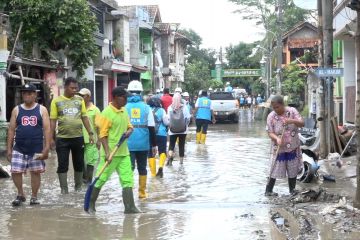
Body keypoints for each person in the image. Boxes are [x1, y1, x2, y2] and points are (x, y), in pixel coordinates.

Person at [89, 86, 140, 213]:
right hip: (110, 154)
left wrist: (129, 131)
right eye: (124, 97)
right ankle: (91, 205)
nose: (126, 100)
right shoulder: (106, 113)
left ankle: (130, 207)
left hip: (124, 153)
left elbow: (129, 126)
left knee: (127, 179)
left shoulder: (124, 111)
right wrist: (107, 152)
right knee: (101, 178)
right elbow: (102, 134)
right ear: (116, 97)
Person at [7, 84, 51, 206]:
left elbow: (47, 130)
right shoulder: (16, 110)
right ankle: (20, 194)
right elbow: (11, 130)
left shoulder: (42, 110)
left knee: (36, 172)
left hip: (36, 148)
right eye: (25, 93)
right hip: (19, 147)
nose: (27, 95)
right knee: (15, 171)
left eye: (30, 93)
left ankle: (34, 196)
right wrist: (9, 149)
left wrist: (46, 148)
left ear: (35, 95)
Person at [50, 77, 94, 194]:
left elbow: (84, 117)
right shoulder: (56, 101)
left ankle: (78, 188)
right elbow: (53, 121)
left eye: (76, 88)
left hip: (78, 137)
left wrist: (90, 133)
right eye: (72, 88)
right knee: (62, 164)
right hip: (62, 139)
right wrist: (50, 139)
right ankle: (64, 190)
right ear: (65, 87)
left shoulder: (79, 100)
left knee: (79, 163)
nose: (75, 90)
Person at [265, 95, 304, 196]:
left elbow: (302, 123)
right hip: (278, 147)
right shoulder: (271, 116)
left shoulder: (292, 111)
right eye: (273, 108)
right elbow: (269, 132)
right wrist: (277, 138)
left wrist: (291, 121)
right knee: (274, 168)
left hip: (292, 146)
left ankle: (292, 190)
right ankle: (268, 190)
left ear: (283, 104)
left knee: (292, 168)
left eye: (277, 107)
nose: (275, 110)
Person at [126, 80, 157, 199]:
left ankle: (128, 194)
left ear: (128, 92)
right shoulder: (146, 108)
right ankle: (142, 193)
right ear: (140, 92)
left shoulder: (124, 107)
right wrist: (154, 145)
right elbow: (151, 128)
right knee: (142, 168)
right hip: (143, 144)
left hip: (128, 144)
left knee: (129, 169)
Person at [78, 88, 101, 184]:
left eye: (82, 96)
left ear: (88, 97)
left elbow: (99, 126)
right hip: (79, 138)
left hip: (91, 140)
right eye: (79, 95)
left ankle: (88, 181)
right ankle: (83, 180)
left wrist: (99, 140)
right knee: (80, 160)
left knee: (90, 161)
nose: (80, 97)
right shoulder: (78, 109)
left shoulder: (95, 110)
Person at [147, 97, 169, 178]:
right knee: (162, 151)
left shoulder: (147, 109)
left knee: (150, 153)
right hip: (161, 134)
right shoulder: (162, 110)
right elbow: (166, 122)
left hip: (149, 134)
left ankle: (153, 174)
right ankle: (160, 166)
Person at [167, 93, 191, 165]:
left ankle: (170, 159)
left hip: (172, 130)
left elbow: (168, 119)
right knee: (181, 145)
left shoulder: (169, 108)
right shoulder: (185, 107)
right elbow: (188, 119)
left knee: (171, 145)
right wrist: (185, 125)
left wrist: (171, 126)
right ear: (180, 99)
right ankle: (181, 162)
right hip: (183, 130)